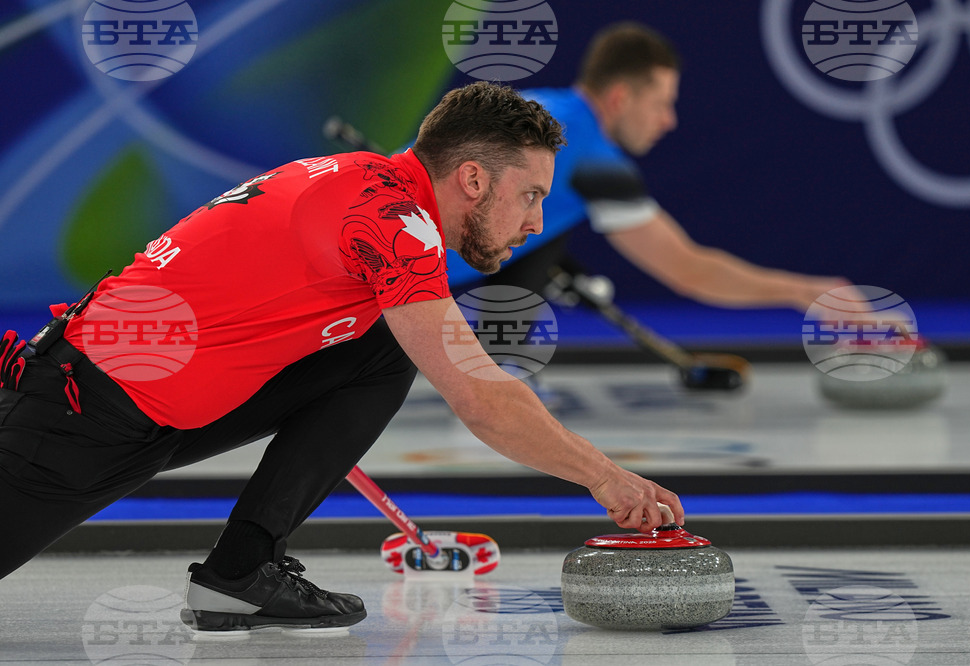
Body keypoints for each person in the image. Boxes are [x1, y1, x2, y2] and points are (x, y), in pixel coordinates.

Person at [0, 82, 683, 632]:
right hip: (79, 415)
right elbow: (480, 396)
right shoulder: (396, 225)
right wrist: (604, 478)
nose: (536, 222)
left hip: (143, 399)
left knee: (382, 348)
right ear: (473, 179)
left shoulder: (362, 180)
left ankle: (241, 572)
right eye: (531, 196)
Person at [446, 22, 853, 313]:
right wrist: (806, 293)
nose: (669, 120)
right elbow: (690, 271)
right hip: (410, 286)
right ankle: (504, 367)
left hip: (410, 252)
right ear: (621, 98)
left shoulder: (537, 106)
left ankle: (504, 363)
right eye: (661, 104)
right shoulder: (593, 159)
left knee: (553, 219)